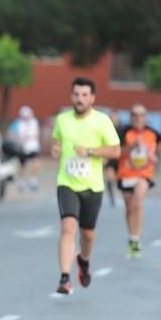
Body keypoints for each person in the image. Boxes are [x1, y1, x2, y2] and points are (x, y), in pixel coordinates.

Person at [51, 77, 121, 295]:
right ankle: (65, 278)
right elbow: (57, 143)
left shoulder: (102, 121)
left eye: (84, 95)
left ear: (92, 98)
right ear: (71, 95)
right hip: (67, 182)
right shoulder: (62, 120)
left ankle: (84, 260)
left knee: (87, 234)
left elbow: (115, 151)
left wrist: (91, 152)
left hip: (92, 186)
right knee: (68, 227)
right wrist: (55, 150)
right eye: (76, 94)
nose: (79, 99)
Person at [116, 104, 161, 258]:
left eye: (141, 115)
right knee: (129, 208)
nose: (138, 118)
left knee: (138, 200)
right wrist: (132, 146)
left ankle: (136, 238)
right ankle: (131, 237)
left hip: (143, 173)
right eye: (135, 115)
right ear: (131, 117)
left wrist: (150, 155)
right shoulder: (123, 132)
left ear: (146, 117)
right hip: (126, 173)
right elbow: (117, 151)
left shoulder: (152, 134)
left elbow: (156, 156)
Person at [8, 105, 41, 192]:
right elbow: (11, 134)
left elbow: (37, 133)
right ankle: (21, 180)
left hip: (33, 147)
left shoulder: (34, 122)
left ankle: (33, 179)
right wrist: (17, 139)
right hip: (22, 148)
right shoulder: (17, 123)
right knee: (23, 165)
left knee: (36, 163)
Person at [103, 110, 121, 207]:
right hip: (110, 157)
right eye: (112, 118)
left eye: (115, 119)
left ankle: (119, 192)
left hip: (119, 157)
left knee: (119, 178)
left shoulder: (121, 131)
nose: (114, 120)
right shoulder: (106, 130)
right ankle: (112, 197)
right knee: (109, 177)